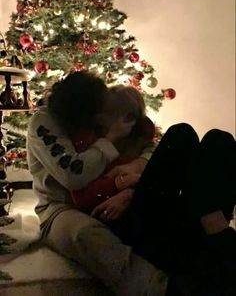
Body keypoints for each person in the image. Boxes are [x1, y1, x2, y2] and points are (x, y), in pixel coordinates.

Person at [26, 71, 168, 296]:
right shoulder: (44, 122)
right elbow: (73, 175)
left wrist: (138, 164)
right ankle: (156, 289)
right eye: (97, 112)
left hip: (114, 192)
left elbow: (150, 144)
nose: (101, 117)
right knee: (86, 234)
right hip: (58, 209)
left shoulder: (102, 119)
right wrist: (109, 139)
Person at [92, 123, 236, 295]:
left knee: (189, 136)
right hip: (198, 236)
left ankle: (210, 225)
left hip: (187, 257)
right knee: (211, 138)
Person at [70, 85, 156, 214]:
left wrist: (131, 189)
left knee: (181, 132)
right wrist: (118, 183)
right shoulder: (90, 141)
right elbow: (81, 197)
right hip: (111, 211)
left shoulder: (140, 142)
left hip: (143, 200)